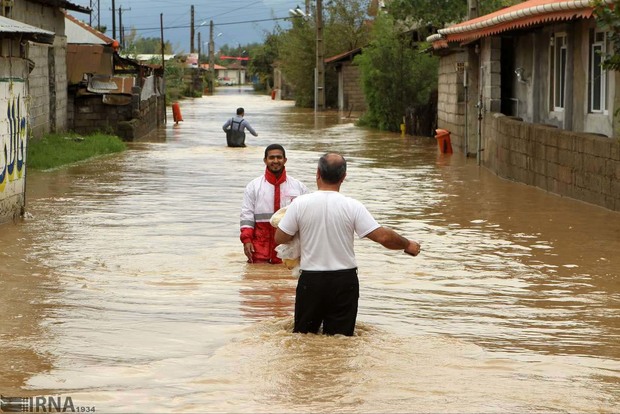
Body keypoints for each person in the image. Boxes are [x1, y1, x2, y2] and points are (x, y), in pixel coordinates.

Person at [274, 152, 421, 336]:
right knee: (341, 340)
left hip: (311, 281)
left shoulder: (299, 205)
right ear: (344, 177)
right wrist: (407, 245)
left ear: (317, 173)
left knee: (304, 338)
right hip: (344, 282)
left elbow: (280, 238)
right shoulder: (353, 206)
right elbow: (383, 237)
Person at [240, 144, 309, 264]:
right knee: (256, 281)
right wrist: (246, 240)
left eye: (279, 157)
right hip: (260, 249)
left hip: (289, 250)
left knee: (287, 281)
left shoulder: (299, 187)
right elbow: (247, 216)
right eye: (272, 158)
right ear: (265, 160)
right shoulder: (253, 187)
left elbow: (308, 217)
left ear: (285, 160)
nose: (275, 161)